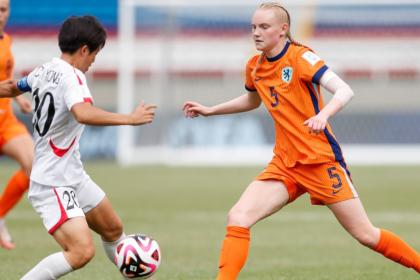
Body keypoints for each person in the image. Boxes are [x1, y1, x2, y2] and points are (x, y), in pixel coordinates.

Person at [183, 2, 420, 279]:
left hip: (320, 161)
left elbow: (344, 90)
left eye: (264, 27)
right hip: (285, 163)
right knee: (238, 217)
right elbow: (252, 99)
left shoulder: (301, 58)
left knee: (365, 234)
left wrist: (323, 114)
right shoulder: (255, 66)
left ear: (283, 30)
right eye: (253, 27)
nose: (256, 33)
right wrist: (211, 110)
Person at [0, 15, 156, 279]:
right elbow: (82, 112)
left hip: (72, 174)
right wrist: (129, 119)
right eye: (95, 53)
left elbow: (15, 86)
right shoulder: (73, 77)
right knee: (81, 252)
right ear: (84, 49)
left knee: (113, 229)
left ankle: (132, 273)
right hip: (52, 181)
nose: (94, 60)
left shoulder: (44, 69)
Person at [0, 0, 34, 250]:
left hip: (5, 121)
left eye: (3, 9)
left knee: (37, 167)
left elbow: (7, 78)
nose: (0, 15)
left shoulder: (6, 40)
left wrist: (19, 99)